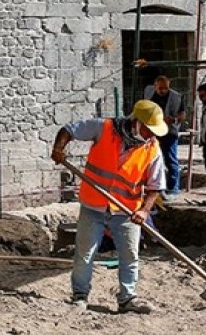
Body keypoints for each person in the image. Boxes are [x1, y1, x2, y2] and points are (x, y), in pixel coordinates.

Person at [50, 99, 166, 314]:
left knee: (130, 255)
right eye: (150, 129)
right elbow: (68, 130)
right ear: (136, 122)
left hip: (126, 210)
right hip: (94, 205)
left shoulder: (152, 148)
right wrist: (59, 147)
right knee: (85, 254)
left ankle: (127, 298)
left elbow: (155, 186)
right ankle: (80, 296)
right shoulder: (104, 128)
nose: (152, 134)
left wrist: (144, 210)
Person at [143, 76, 187, 198]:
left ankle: (173, 189)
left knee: (170, 160)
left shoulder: (176, 97)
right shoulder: (149, 92)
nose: (163, 91)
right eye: (160, 88)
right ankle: (156, 187)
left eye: (166, 88)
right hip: (152, 132)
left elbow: (182, 114)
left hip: (169, 133)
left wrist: (174, 119)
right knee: (153, 159)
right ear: (155, 86)